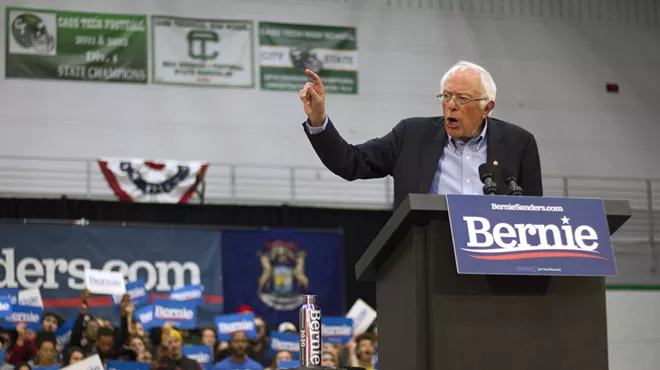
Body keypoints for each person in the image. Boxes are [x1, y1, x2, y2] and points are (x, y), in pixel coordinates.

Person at [299, 60, 543, 208]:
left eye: (463, 98)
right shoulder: (411, 136)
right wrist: (318, 119)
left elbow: (537, 216)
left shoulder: (518, 143)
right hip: (426, 257)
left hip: (494, 264)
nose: (451, 105)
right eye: (446, 96)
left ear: (487, 107)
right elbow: (350, 162)